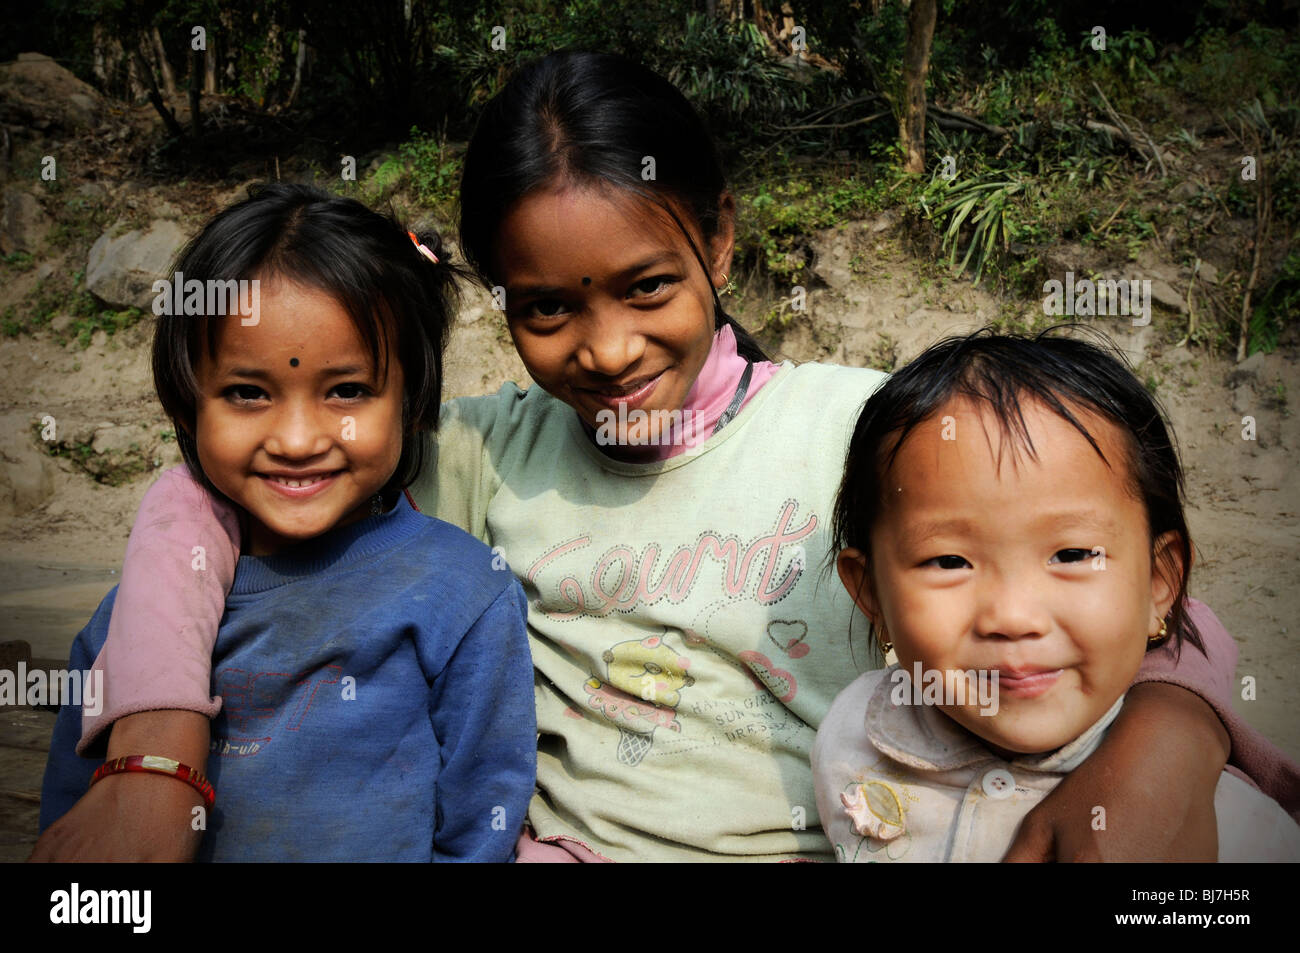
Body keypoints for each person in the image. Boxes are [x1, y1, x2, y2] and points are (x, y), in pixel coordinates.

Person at [33, 52, 1298, 863]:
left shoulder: (871, 428)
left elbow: (1130, 584)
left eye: (645, 286)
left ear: (720, 242)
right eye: (545, 308)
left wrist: (1165, 745)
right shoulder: (479, 454)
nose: (604, 348)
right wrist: (156, 753)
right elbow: (204, 495)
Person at [36, 184, 536, 862]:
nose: (297, 438)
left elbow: (484, 817)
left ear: (412, 398)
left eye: (347, 391)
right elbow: (83, 828)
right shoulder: (136, 622)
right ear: (187, 403)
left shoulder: (465, 595)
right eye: (248, 393)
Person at [813, 329, 1300, 862]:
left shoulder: (1210, 826)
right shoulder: (850, 734)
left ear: (1159, 583)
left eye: (1071, 555)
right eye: (949, 561)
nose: (1014, 617)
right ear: (870, 593)